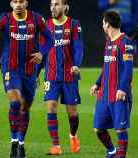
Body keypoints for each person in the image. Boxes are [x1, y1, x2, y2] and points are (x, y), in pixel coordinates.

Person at [0, 0, 53, 157]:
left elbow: (49, 39)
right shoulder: (5, 19)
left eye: (21, 1)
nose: (18, 4)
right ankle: (14, 142)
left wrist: (41, 53)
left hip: (29, 69)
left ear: (26, 3)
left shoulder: (36, 19)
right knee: (15, 102)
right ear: (11, 4)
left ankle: (21, 144)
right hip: (10, 67)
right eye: (15, 1)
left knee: (25, 107)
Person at [37, 0, 84, 155]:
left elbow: (78, 47)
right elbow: (41, 52)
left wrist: (77, 65)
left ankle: (73, 135)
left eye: (57, 4)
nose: (53, 7)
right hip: (51, 75)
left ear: (65, 7)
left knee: (72, 113)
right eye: (51, 4)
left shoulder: (74, 24)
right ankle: (56, 146)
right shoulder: (46, 26)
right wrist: (36, 73)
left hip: (69, 75)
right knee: (50, 107)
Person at [90, 11, 135, 158]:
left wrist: (122, 88)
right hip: (104, 94)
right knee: (98, 129)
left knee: (120, 130)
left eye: (103, 22)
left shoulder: (125, 42)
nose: (102, 25)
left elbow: (128, 68)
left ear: (107, 24)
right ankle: (111, 151)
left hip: (119, 95)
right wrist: (97, 84)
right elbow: (106, 67)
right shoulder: (108, 42)